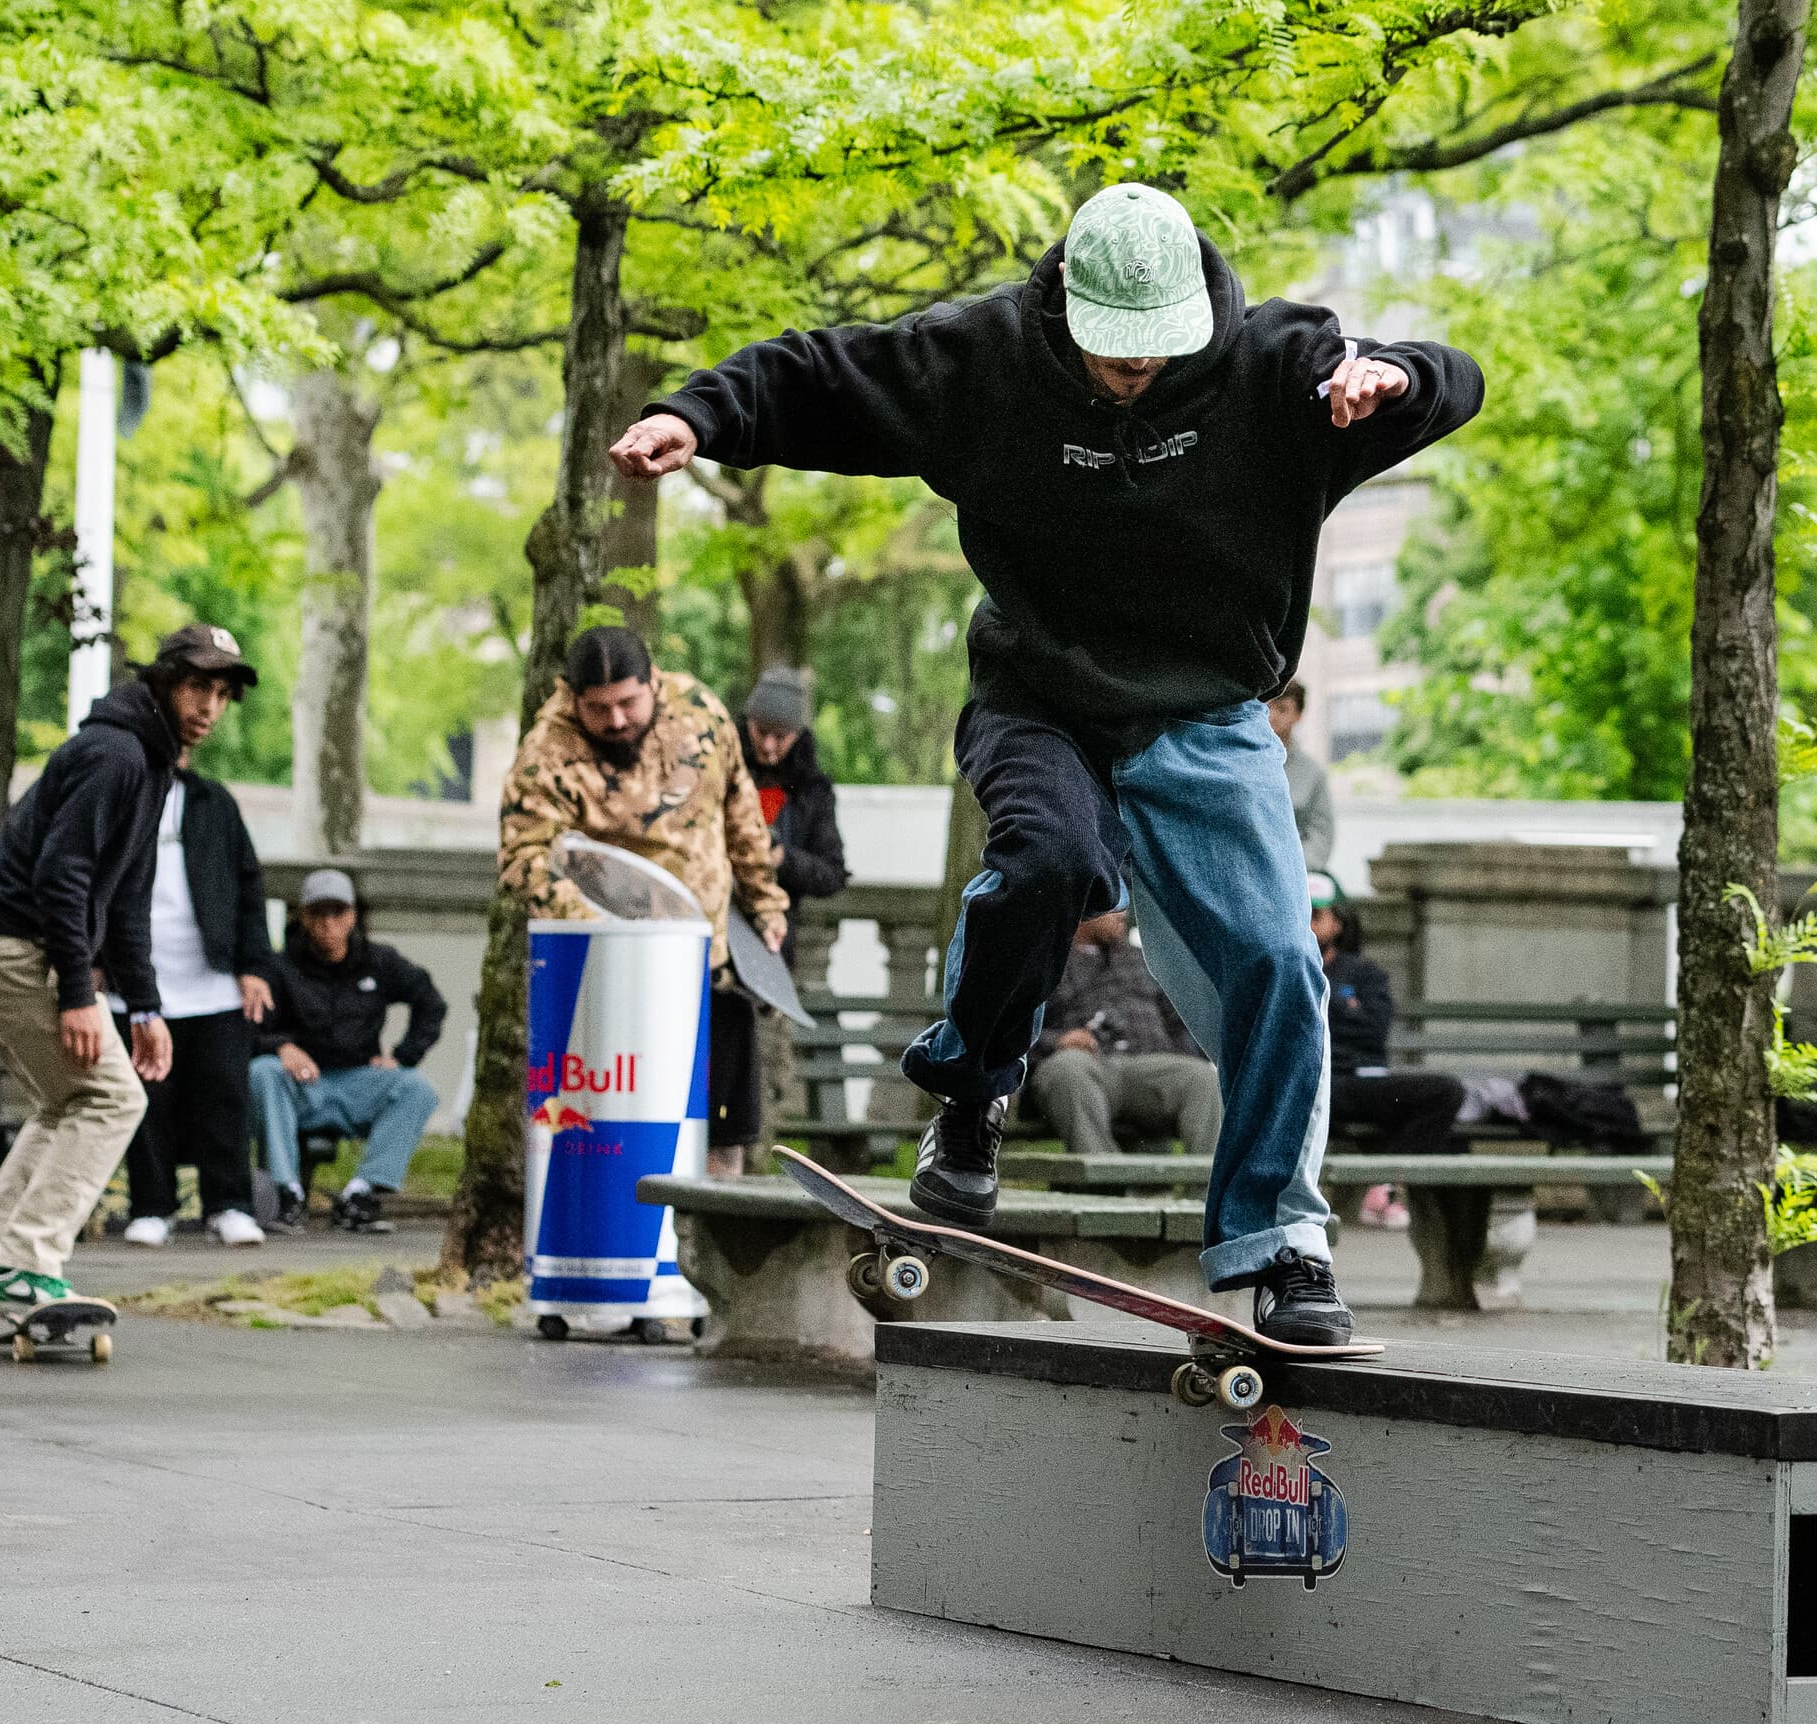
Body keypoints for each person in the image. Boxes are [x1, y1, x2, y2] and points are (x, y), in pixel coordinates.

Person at [616, 184, 1479, 1342]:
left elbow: (1453, 374)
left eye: (1152, 357)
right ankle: (970, 1097)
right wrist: (700, 416)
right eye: (1108, 355)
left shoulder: (1283, 369)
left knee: (1279, 957)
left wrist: (1399, 382)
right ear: (1065, 307)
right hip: (1042, 703)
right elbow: (822, 371)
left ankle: (1282, 1240)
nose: (1129, 375)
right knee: (1046, 860)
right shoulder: (985, 361)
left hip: (1211, 714)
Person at [0, 626, 253, 1315]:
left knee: (68, 1100)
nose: (210, 706)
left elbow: (127, 897)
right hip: (4, 946)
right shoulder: (119, 755)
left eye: (222, 693)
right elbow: (64, 874)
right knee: (113, 1097)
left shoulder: (151, 760)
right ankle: (24, 1265)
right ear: (163, 682)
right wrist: (79, 994)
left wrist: (145, 1008)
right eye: (198, 686)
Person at [499, 626, 787, 1171]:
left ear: (654, 680)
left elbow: (740, 811)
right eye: (598, 708)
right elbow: (524, 860)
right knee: (626, 1127)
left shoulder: (701, 710)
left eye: (628, 702)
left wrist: (765, 902)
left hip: (710, 961)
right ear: (570, 695)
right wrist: (608, 927)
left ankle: (715, 1241)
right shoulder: (546, 753)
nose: (616, 721)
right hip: (611, 975)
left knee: (723, 1127)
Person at [118, 754, 280, 1248]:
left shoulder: (215, 802)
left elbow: (250, 886)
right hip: (140, 983)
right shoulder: (121, 800)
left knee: (224, 1096)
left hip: (213, 983)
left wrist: (253, 966)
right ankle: (151, 1206)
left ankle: (229, 1204)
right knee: (148, 1102)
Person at [251, 870, 448, 1231]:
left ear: (352, 916)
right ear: (305, 917)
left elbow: (430, 1003)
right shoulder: (279, 966)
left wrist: (403, 1055)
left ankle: (361, 1193)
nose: (329, 923)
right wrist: (281, 1047)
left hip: (357, 1081)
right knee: (263, 1071)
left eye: (337, 912)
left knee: (416, 1088)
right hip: (304, 1085)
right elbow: (251, 1025)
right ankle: (287, 1192)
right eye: (319, 913)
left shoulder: (380, 960)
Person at [1027, 907, 1222, 1156]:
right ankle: (1106, 1184)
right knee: (1068, 1069)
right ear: (1083, 910)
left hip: (1150, 1067)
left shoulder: (1145, 960)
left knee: (1203, 1079)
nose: (1123, 914)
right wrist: (1058, 1041)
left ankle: (1206, 1191)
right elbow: (1009, 1033)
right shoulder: (1044, 962)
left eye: (1126, 906)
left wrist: (1188, 1059)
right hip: (1087, 1067)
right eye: (1114, 907)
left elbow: (1180, 1025)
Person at [1313, 894, 1464, 1156]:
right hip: (1314, 1084)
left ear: (1338, 924)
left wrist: (1328, 1005)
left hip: (1361, 1081)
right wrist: (1347, 1012)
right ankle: (1385, 1182)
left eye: (1315, 917)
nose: (1306, 925)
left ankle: (1383, 1183)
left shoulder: (1364, 973)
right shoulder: (1286, 971)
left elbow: (1375, 1029)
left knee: (1446, 1093)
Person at [740, 666, 850, 908]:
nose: (768, 745)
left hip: (776, 928)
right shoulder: (724, 768)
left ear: (797, 735)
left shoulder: (812, 791)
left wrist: (783, 858)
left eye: (780, 737)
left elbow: (833, 874)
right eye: (761, 731)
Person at [1271, 681, 1336, 871]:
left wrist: (1296, 867)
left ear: (1298, 715)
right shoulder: (1240, 763)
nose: (1272, 716)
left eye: (1282, 709)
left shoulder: (1312, 774)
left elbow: (1320, 833)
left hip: (1298, 871)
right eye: (1268, 708)